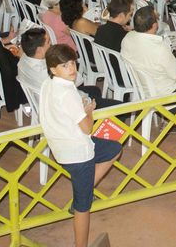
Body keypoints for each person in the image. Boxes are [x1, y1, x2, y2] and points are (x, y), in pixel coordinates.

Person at [39, 43, 123, 247]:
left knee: (114, 149)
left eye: (73, 63)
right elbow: (87, 128)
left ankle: (83, 192)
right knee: (83, 209)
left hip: (60, 147)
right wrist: (89, 111)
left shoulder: (47, 84)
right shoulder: (68, 92)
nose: (72, 69)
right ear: (53, 69)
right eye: (65, 66)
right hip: (79, 153)